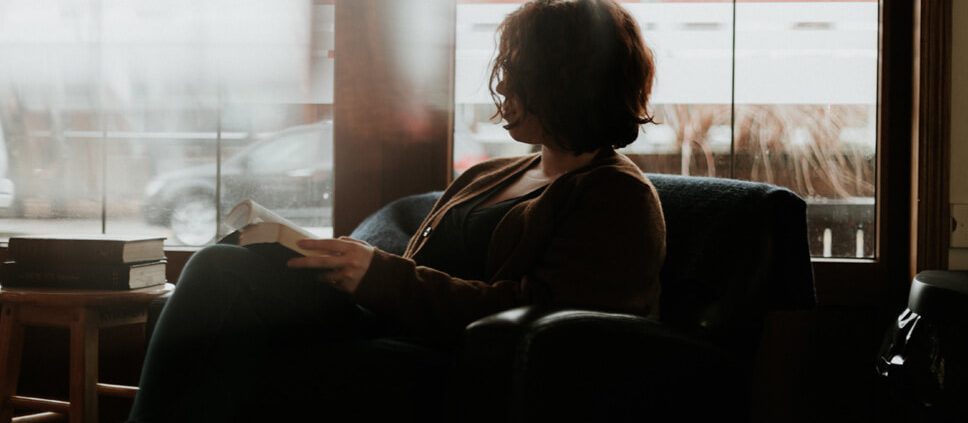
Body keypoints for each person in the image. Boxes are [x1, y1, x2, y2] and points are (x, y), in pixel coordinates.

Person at [128, 0, 665, 421]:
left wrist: (378, 276)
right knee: (232, 261)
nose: (502, 87)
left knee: (231, 294)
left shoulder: (616, 196)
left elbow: (543, 320)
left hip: (450, 353)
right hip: (389, 320)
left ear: (565, 83)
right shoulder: (492, 173)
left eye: (518, 74)